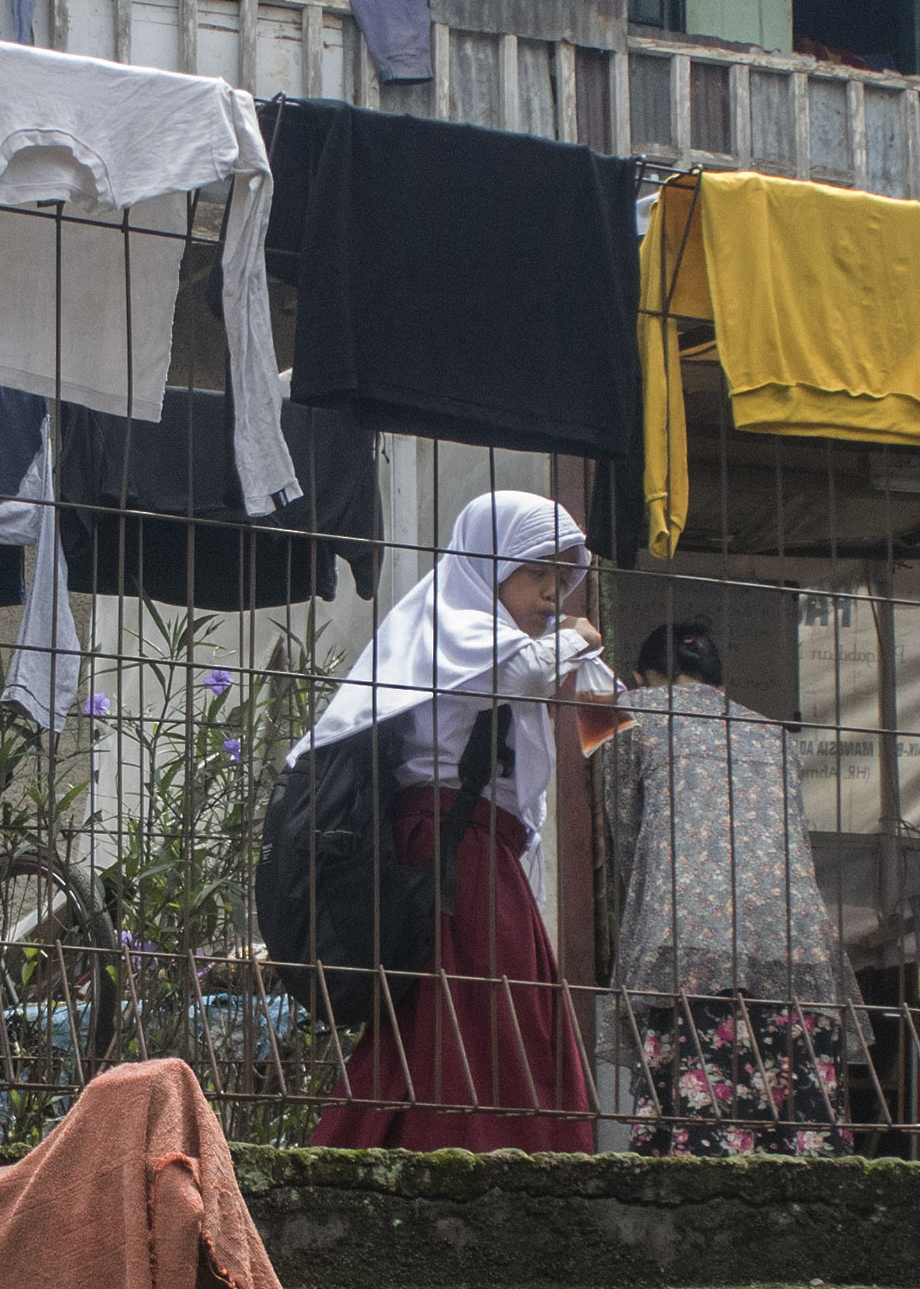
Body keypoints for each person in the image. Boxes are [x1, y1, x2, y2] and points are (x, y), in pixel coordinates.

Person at [304, 489, 622, 1153]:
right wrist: (578, 636)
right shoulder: (451, 629)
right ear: (488, 562)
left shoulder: (491, 641)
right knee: (476, 1010)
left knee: (481, 1012)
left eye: (560, 578)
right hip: (449, 844)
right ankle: (477, 1151)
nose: (552, 594)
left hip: (476, 848)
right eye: (536, 573)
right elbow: (524, 674)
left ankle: (457, 1148)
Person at [598, 620, 850, 1155]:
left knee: (700, 1122)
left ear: (642, 678)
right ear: (721, 687)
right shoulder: (773, 733)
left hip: (688, 927)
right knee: (790, 1107)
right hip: (795, 932)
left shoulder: (632, 712)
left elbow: (624, 829)